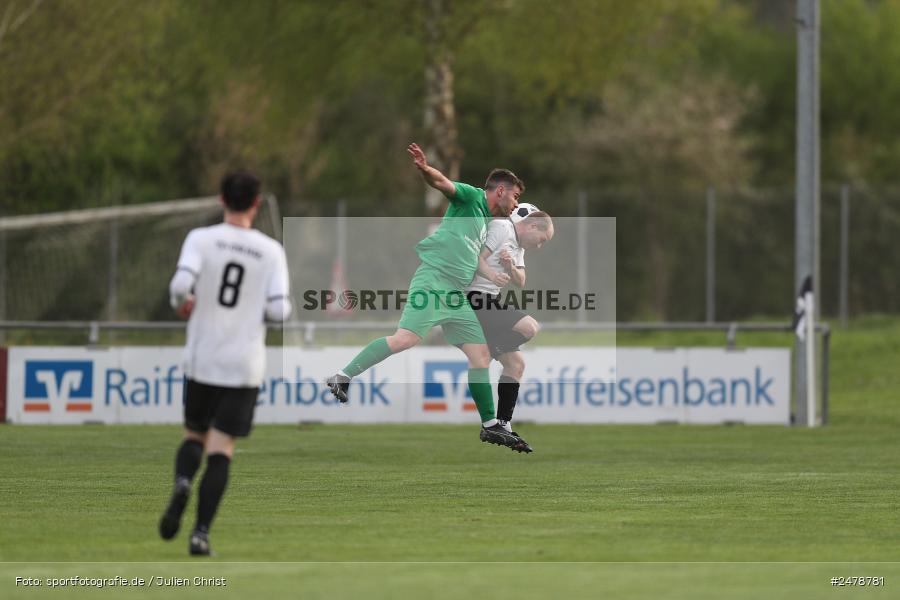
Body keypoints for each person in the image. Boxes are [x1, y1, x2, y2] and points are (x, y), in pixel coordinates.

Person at [327, 143, 527, 451]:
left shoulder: (488, 223)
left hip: (456, 295)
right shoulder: (472, 197)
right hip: (433, 281)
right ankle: (342, 376)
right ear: (500, 190)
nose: (516, 203)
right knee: (405, 339)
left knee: (481, 357)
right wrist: (425, 169)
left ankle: (490, 426)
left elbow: (474, 257)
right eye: (515, 196)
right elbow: (443, 184)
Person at [159, 171, 291, 556]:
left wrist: (180, 304)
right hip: (243, 364)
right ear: (255, 203)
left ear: (221, 199)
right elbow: (280, 309)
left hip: (203, 358)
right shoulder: (270, 251)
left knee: (193, 436)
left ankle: (183, 481)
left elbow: (182, 286)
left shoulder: (201, 239)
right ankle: (200, 534)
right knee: (222, 448)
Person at [466, 205, 554, 452]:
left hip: (489, 299)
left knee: (516, 365)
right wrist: (494, 274)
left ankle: (502, 424)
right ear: (533, 226)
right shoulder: (502, 228)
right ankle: (490, 349)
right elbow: (475, 257)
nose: (540, 245)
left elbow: (521, 281)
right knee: (529, 327)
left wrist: (509, 266)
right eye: (542, 239)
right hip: (474, 297)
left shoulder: (519, 246)